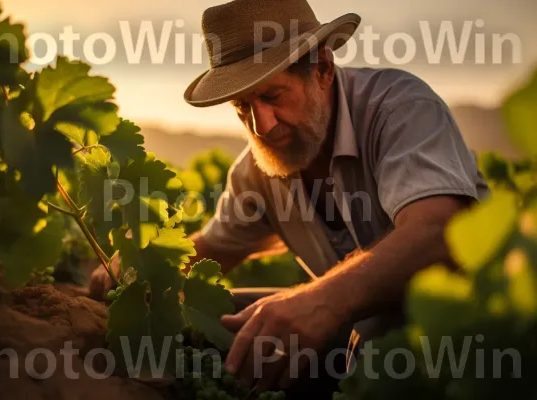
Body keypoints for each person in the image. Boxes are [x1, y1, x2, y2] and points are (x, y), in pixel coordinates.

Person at [90, 0, 490, 394]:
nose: (261, 127)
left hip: (464, 338)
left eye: (273, 97)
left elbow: (439, 230)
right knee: (214, 314)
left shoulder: (399, 108)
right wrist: (139, 268)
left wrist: (326, 300)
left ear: (323, 69)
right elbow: (214, 249)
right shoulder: (258, 170)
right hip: (360, 343)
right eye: (243, 107)